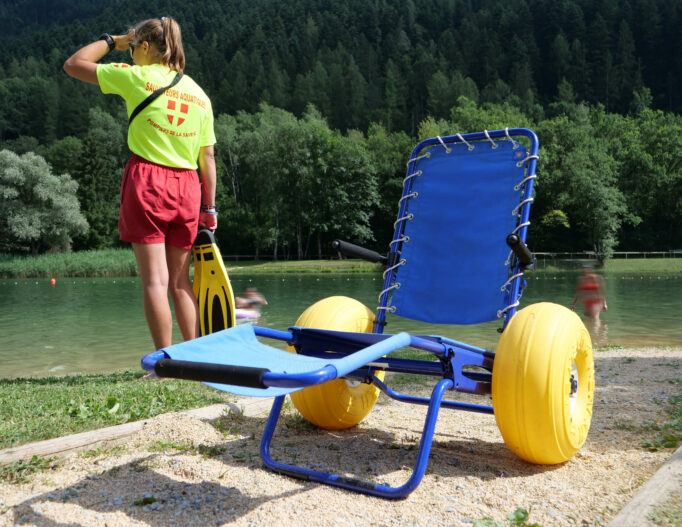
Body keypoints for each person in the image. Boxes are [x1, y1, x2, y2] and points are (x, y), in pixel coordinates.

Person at [64, 17, 217, 351]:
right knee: (179, 281)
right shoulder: (199, 95)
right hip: (189, 188)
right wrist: (210, 207)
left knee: (155, 281)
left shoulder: (136, 77)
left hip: (149, 181)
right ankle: (194, 359)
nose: (131, 54)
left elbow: (74, 64)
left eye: (133, 48)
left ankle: (164, 365)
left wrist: (111, 40)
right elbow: (208, 158)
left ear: (145, 47)